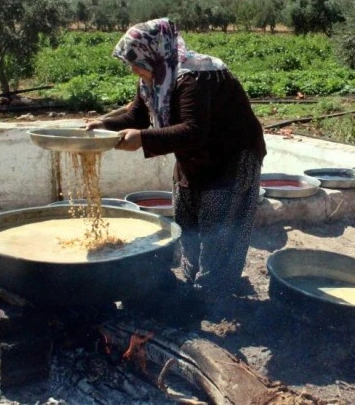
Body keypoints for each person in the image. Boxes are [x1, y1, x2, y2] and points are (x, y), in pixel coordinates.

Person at [86, 18, 266, 302]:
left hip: (231, 158)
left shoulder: (195, 76)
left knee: (219, 231)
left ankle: (213, 298)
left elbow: (194, 130)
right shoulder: (155, 78)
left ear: (154, 53)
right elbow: (137, 116)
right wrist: (103, 124)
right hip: (194, 157)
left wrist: (143, 139)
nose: (133, 69)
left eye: (136, 62)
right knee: (187, 221)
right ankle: (193, 284)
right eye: (130, 63)